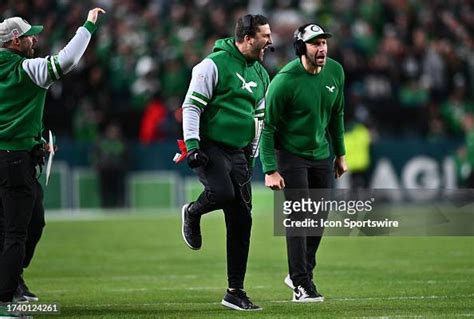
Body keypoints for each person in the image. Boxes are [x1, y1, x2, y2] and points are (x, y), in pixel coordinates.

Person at [0, 8, 106, 309]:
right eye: (30, 35)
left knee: (23, 223)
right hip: (15, 161)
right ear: (16, 41)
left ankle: (11, 281)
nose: (35, 39)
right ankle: (6, 299)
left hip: (13, 154)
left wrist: (35, 140)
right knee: (17, 231)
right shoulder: (26, 69)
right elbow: (67, 60)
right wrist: (88, 25)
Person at [180, 14, 272, 311]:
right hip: (209, 145)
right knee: (222, 193)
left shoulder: (261, 73)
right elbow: (192, 106)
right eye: (265, 36)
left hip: (239, 152)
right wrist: (192, 146)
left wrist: (253, 154)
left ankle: (235, 291)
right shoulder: (212, 65)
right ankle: (193, 212)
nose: (270, 41)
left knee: (242, 220)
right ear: (247, 39)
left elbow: (259, 117)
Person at [259, 23, 348, 302]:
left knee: (319, 218)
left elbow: (337, 114)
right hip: (290, 155)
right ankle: (301, 284)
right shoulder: (284, 81)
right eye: (314, 44)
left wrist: (340, 153)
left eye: (323, 43)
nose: (321, 49)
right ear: (301, 47)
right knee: (299, 217)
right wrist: (270, 169)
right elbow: (268, 127)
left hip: (320, 153)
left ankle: (301, 271)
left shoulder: (336, 71)